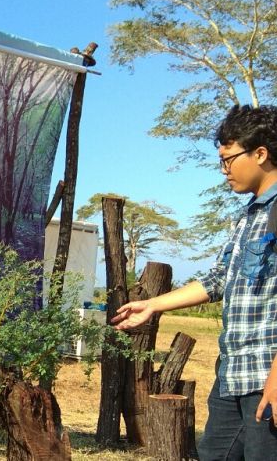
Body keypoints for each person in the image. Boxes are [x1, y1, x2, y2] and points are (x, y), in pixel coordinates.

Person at [112, 104, 277, 460]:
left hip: (269, 376)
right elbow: (219, 279)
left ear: (260, 153)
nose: (224, 171)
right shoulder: (248, 216)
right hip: (235, 371)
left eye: (228, 159)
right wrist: (153, 305)